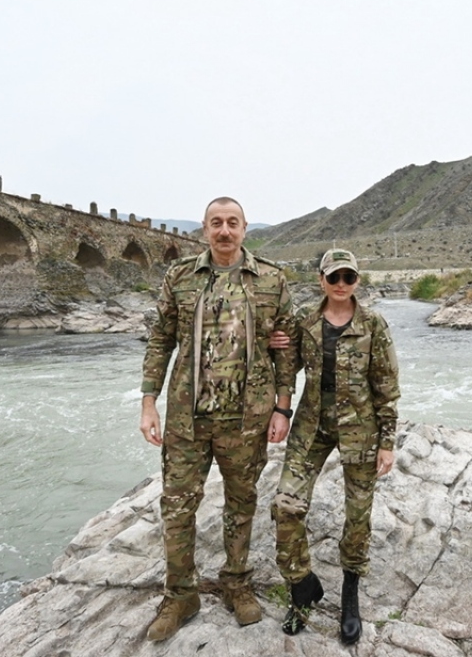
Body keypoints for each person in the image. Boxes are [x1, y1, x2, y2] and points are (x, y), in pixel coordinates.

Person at [138, 196, 296, 642]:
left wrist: (283, 406)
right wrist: (148, 401)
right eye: (215, 223)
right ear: (205, 230)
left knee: (241, 503)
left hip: (247, 419)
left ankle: (236, 583)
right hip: (188, 418)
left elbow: (288, 348)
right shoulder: (180, 276)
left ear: (245, 228)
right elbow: (159, 341)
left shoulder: (271, 278)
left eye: (232, 223)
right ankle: (180, 595)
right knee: (177, 506)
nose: (224, 231)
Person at [270, 248, 400, 645]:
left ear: (357, 281)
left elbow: (387, 384)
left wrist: (388, 441)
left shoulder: (374, 324)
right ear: (321, 281)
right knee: (285, 505)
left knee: (357, 517)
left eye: (348, 277)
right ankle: (302, 587)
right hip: (312, 427)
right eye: (334, 278)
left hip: (361, 430)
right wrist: (272, 342)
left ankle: (350, 594)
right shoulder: (304, 322)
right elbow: (284, 369)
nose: (341, 285)